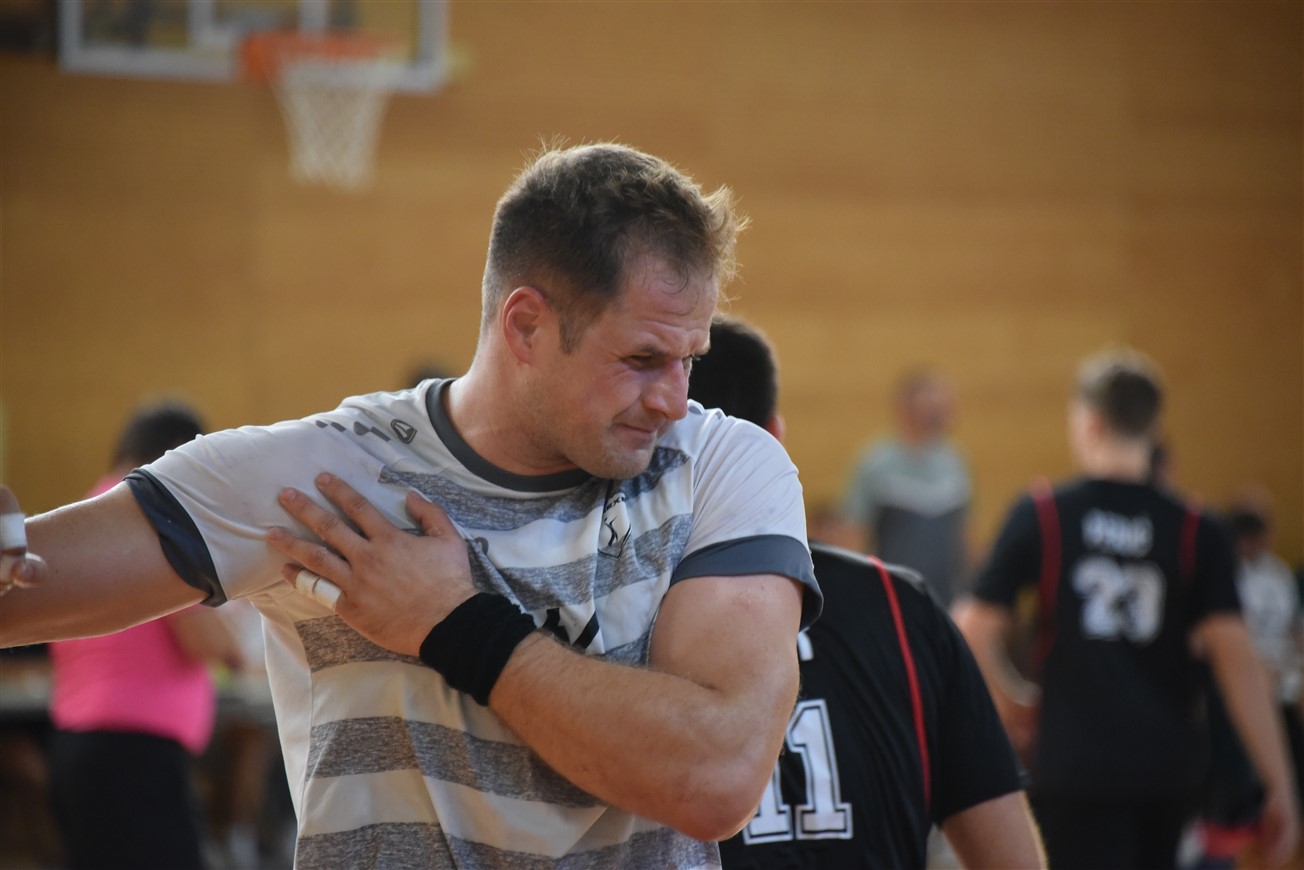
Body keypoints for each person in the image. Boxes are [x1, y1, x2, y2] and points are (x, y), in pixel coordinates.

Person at [0, 143, 821, 869]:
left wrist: (456, 624)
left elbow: (716, 778)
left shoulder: (724, 466)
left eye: (690, 358)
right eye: (643, 358)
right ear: (526, 326)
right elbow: (27, 584)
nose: (675, 398)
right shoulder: (327, 474)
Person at [688, 317, 1044, 869]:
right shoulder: (879, 480)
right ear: (775, 437)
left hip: (910, 621)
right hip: (884, 621)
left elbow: (963, 541)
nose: (938, 412)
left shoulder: (626, 614)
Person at [953, 349, 1300, 869]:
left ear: (1089, 422)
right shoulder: (1194, 527)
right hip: (1165, 767)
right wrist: (1279, 781)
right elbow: (1239, 662)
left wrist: (1011, 701)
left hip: (1072, 763)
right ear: (1154, 427)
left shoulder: (1045, 513)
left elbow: (971, 629)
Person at [46, 401, 246, 870]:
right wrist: (233, 646)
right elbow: (206, 640)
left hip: (78, 745)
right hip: (133, 753)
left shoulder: (85, 515)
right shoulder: (149, 518)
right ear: (178, 456)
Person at [841, 369, 971, 605]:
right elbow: (854, 537)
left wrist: (969, 593)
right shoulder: (876, 464)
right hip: (891, 598)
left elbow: (963, 536)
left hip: (944, 599)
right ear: (907, 408)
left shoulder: (954, 463)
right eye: (930, 404)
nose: (938, 411)